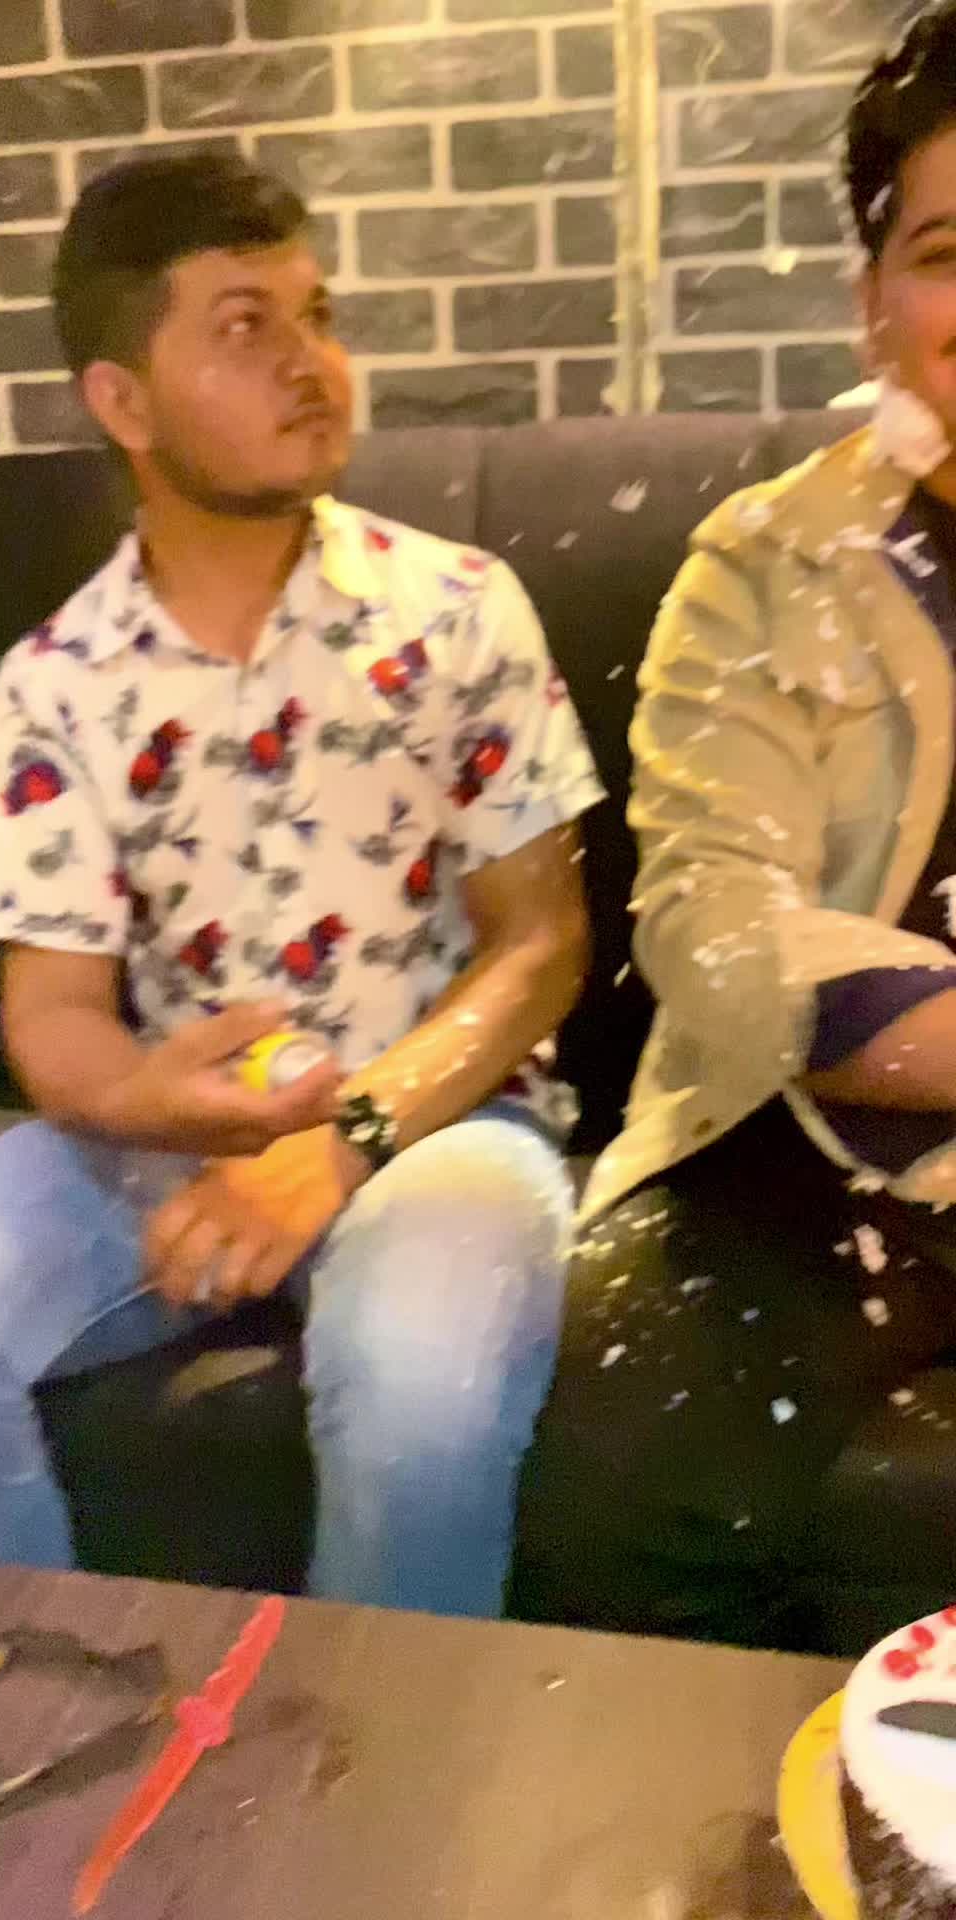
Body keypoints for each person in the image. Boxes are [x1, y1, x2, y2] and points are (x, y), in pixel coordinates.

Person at [0, 153, 601, 1618]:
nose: (309, 363)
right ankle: (36, 1733)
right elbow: (54, 1014)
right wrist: (152, 1100)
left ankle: (364, 1758)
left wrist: (346, 1134)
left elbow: (541, 943)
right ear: (123, 403)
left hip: (436, 1119)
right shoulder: (57, 684)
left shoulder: (460, 610)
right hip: (168, 1137)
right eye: (242, 327)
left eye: (315, 314)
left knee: (420, 1389)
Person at [513, 0, 956, 1648]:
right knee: (614, 1463)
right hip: (791, 1153)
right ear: (874, 302)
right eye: (947, 253)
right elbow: (715, 927)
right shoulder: (768, 564)